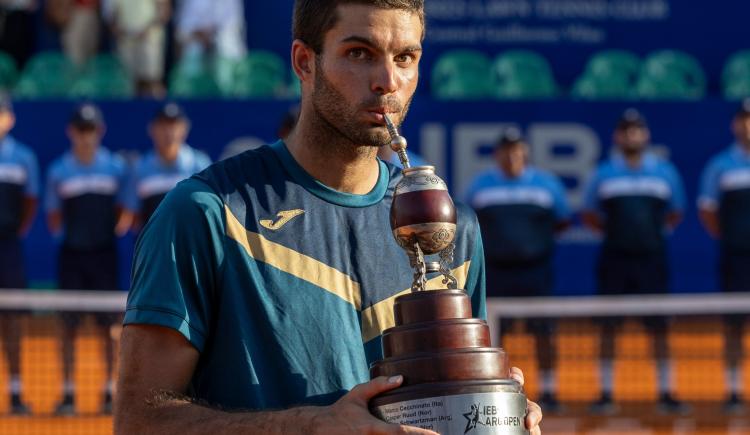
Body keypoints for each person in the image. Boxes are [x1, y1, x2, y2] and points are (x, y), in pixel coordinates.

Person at [114, 1, 543, 434]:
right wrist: (313, 427)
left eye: (404, 58)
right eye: (359, 53)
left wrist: (494, 409)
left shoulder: (452, 230)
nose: (387, 82)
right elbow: (138, 422)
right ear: (305, 62)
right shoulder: (206, 213)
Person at [581, 109, 687, 414]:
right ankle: (605, 393)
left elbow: (675, 212)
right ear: (617, 137)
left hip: (652, 260)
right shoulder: (603, 173)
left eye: (637, 130)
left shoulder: (665, 172)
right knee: (608, 328)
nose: (631, 135)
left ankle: (666, 392)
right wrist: (615, 235)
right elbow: (589, 213)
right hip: (614, 260)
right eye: (626, 130)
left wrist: (650, 235)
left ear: (646, 135)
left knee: (660, 329)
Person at [464, 128, 570, 412]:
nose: (512, 156)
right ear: (497, 155)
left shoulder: (547, 185)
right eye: (506, 150)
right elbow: (467, 225)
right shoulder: (480, 186)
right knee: (496, 335)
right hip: (496, 274)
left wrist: (533, 247)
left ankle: (549, 391)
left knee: (543, 332)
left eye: (517, 150)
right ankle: (495, 388)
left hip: (536, 272)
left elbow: (562, 221)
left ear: (525, 153)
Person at [45, 103, 131, 415]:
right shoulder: (58, 170)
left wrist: (109, 232)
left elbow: (125, 210)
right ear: (71, 132)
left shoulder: (116, 168)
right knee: (67, 328)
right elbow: (53, 216)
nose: (85, 136)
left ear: (100, 131)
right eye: (80, 130)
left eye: (91, 130)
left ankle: (110, 391)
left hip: (104, 256)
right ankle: (68, 393)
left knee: (110, 328)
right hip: (71, 257)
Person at [697, 99, 750, 413]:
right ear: (734, 125)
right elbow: (707, 211)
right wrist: (735, 239)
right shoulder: (720, 165)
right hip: (736, 259)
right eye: (743, 119)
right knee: (734, 326)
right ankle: (733, 390)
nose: (748, 125)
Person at [0, 94, 37, 415]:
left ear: (9, 119)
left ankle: (15, 391)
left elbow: (31, 203)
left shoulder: (23, 158)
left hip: (8, 248)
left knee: (12, 321)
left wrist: (15, 230)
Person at [126, 102, 211, 227]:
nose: (168, 131)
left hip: (191, 244)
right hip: (154, 245)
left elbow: (208, 210)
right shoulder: (140, 168)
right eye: (163, 125)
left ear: (185, 128)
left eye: (173, 125)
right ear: (152, 129)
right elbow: (133, 217)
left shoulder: (200, 165)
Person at [174, 0, 247, 93]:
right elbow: (182, 30)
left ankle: (227, 95)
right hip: (195, 48)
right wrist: (199, 35)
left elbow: (233, 24)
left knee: (226, 46)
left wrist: (211, 35)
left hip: (224, 51)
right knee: (191, 51)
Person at [104, 0, 171, 97]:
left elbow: (164, 11)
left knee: (152, 81)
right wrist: (119, 31)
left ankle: (158, 109)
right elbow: (112, 16)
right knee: (127, 84)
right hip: (125, 42)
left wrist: (147, 29)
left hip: (150, 40)